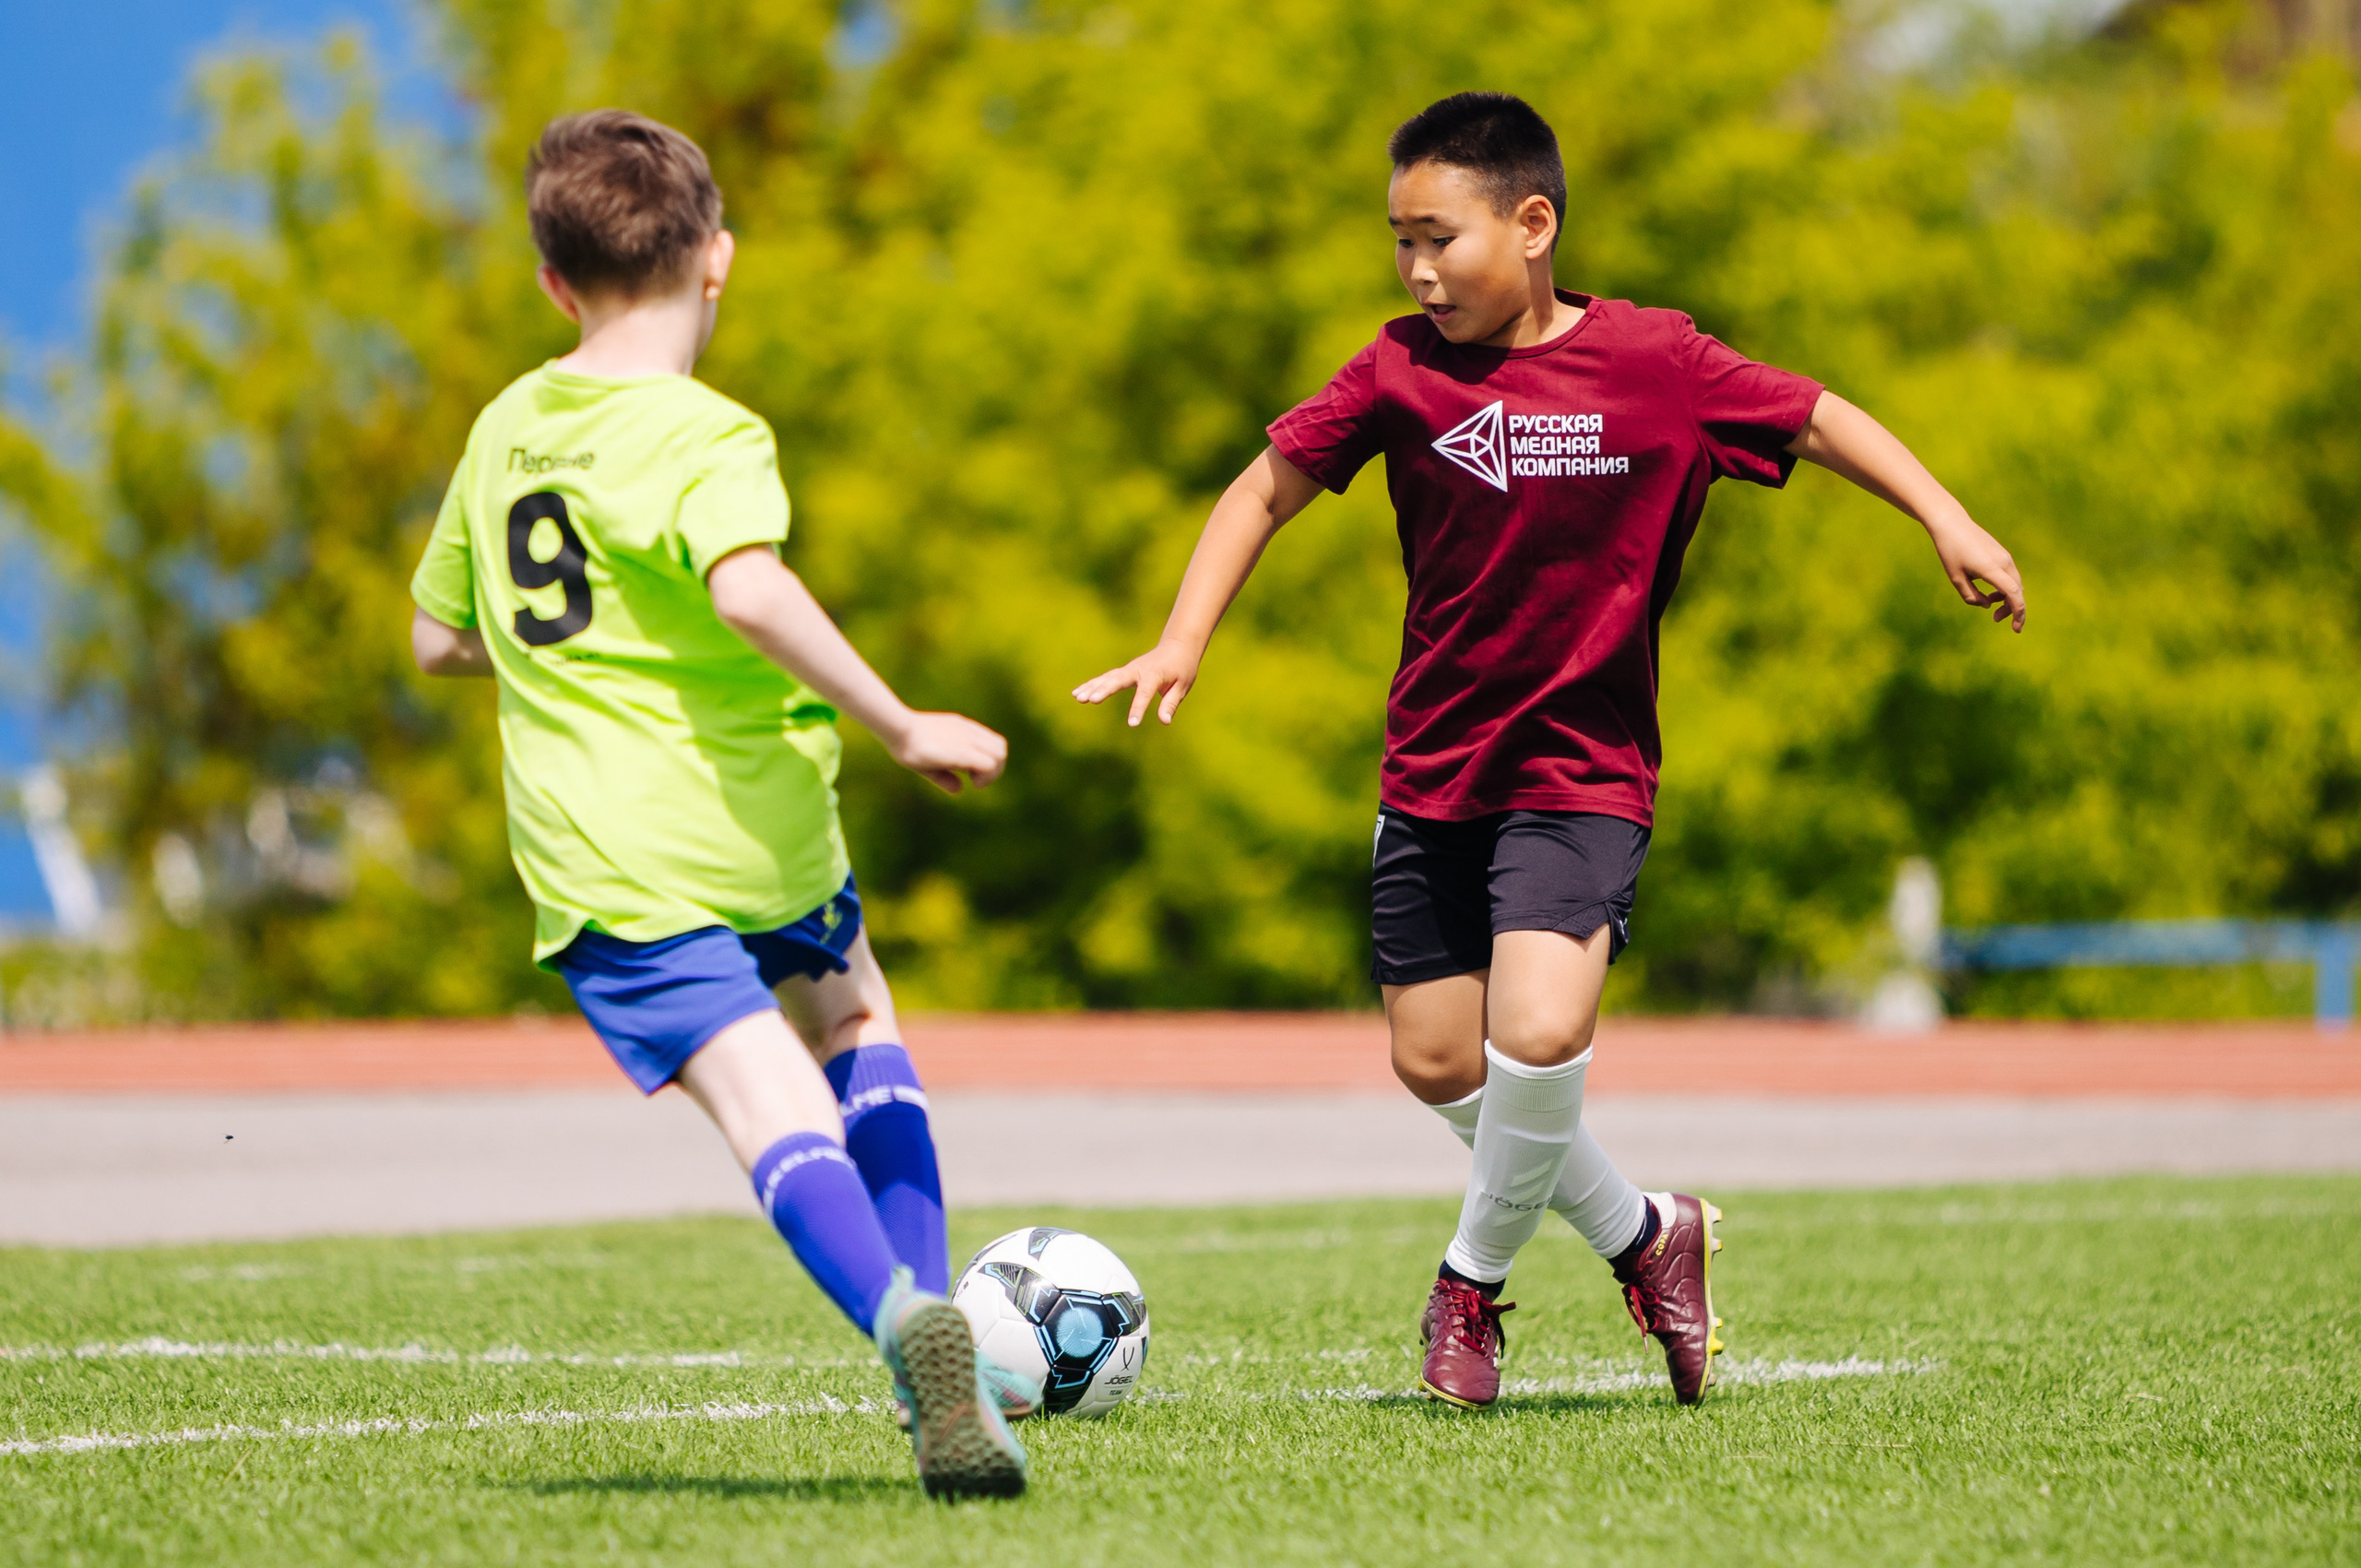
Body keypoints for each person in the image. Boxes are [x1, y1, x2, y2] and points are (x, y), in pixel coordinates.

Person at [1075, 91, 2026, 1410]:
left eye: (1439, 239)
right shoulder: (1397, 368)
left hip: (1582, 769)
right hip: (1433, 770)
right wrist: (1183, 638)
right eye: (1397, 241)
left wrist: (1945, 515)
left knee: (1535, 1031)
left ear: (1533, 224)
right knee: (1433, 1059)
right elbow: (1261, 487)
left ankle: (1468, 1288)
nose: (1416, 270)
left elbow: (1814, 415)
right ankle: (1649, 1235)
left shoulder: (1660, 363)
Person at [409, 110, 1029, 1496]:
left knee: (764, 1107)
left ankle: (907, 1323)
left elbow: (437, 639)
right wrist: (900, 719)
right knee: (855, 1019)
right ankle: (940, 1337)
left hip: (605, 856)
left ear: (551, 284)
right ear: (718, 260)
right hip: (764, 824)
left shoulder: (507, 426)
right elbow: (743, 585)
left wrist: (520, 646)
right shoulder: (708, 432)